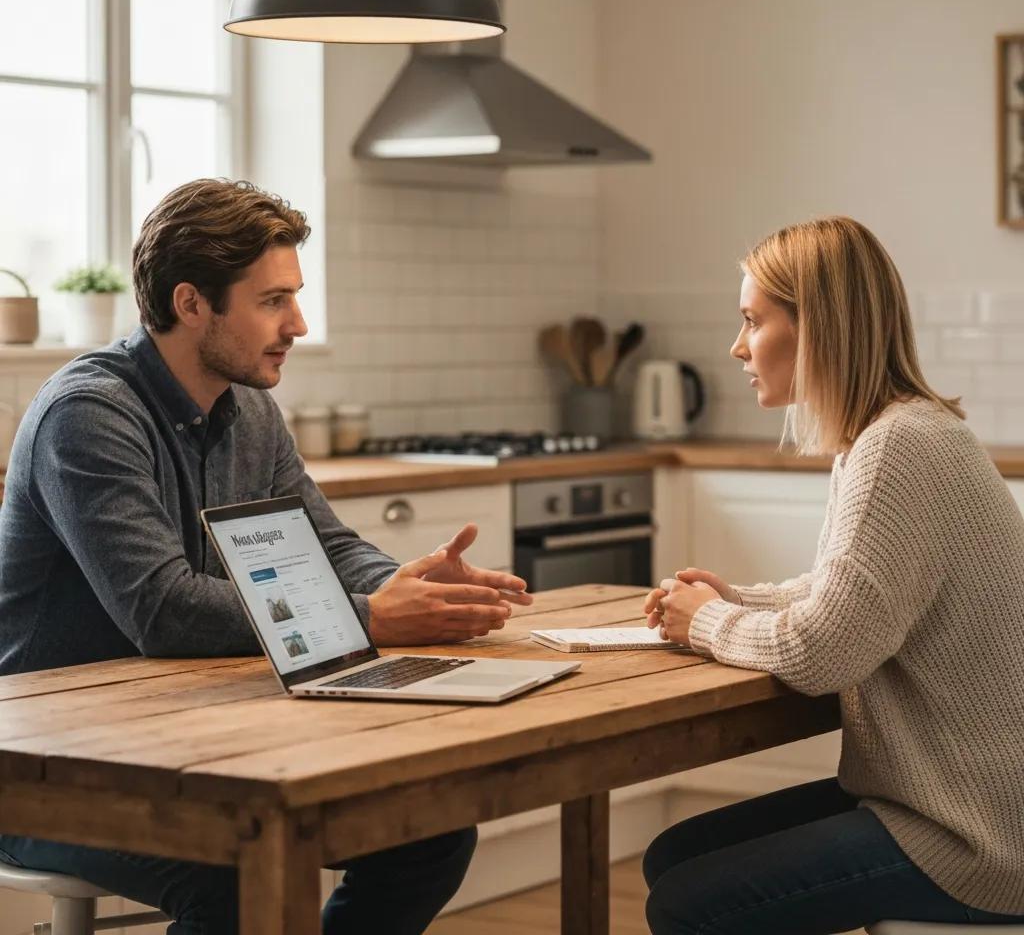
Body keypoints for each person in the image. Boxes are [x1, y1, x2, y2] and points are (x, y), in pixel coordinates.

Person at [0, 177, 533, 934]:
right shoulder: (88, 414)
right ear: (192, 304)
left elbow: (327, 544)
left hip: (186, 737)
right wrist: (378, 618)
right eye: (272, 301)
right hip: (49, 766)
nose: (299, 323)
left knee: (430, 833)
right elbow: (164, 610)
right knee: (237, 881)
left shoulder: (249, 407)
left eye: (295, 297)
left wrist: (409, 586)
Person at [641, 217, 1024, 933]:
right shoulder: (897, 433)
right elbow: (847, 596)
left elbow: (824, 653)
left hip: (977, 836)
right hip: (949, 802)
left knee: (688, 902)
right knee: (674, 854)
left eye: (753, 321)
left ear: (815, 326)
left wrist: (713, 622)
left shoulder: (898, 448)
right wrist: (736, 598)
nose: (737, 347)